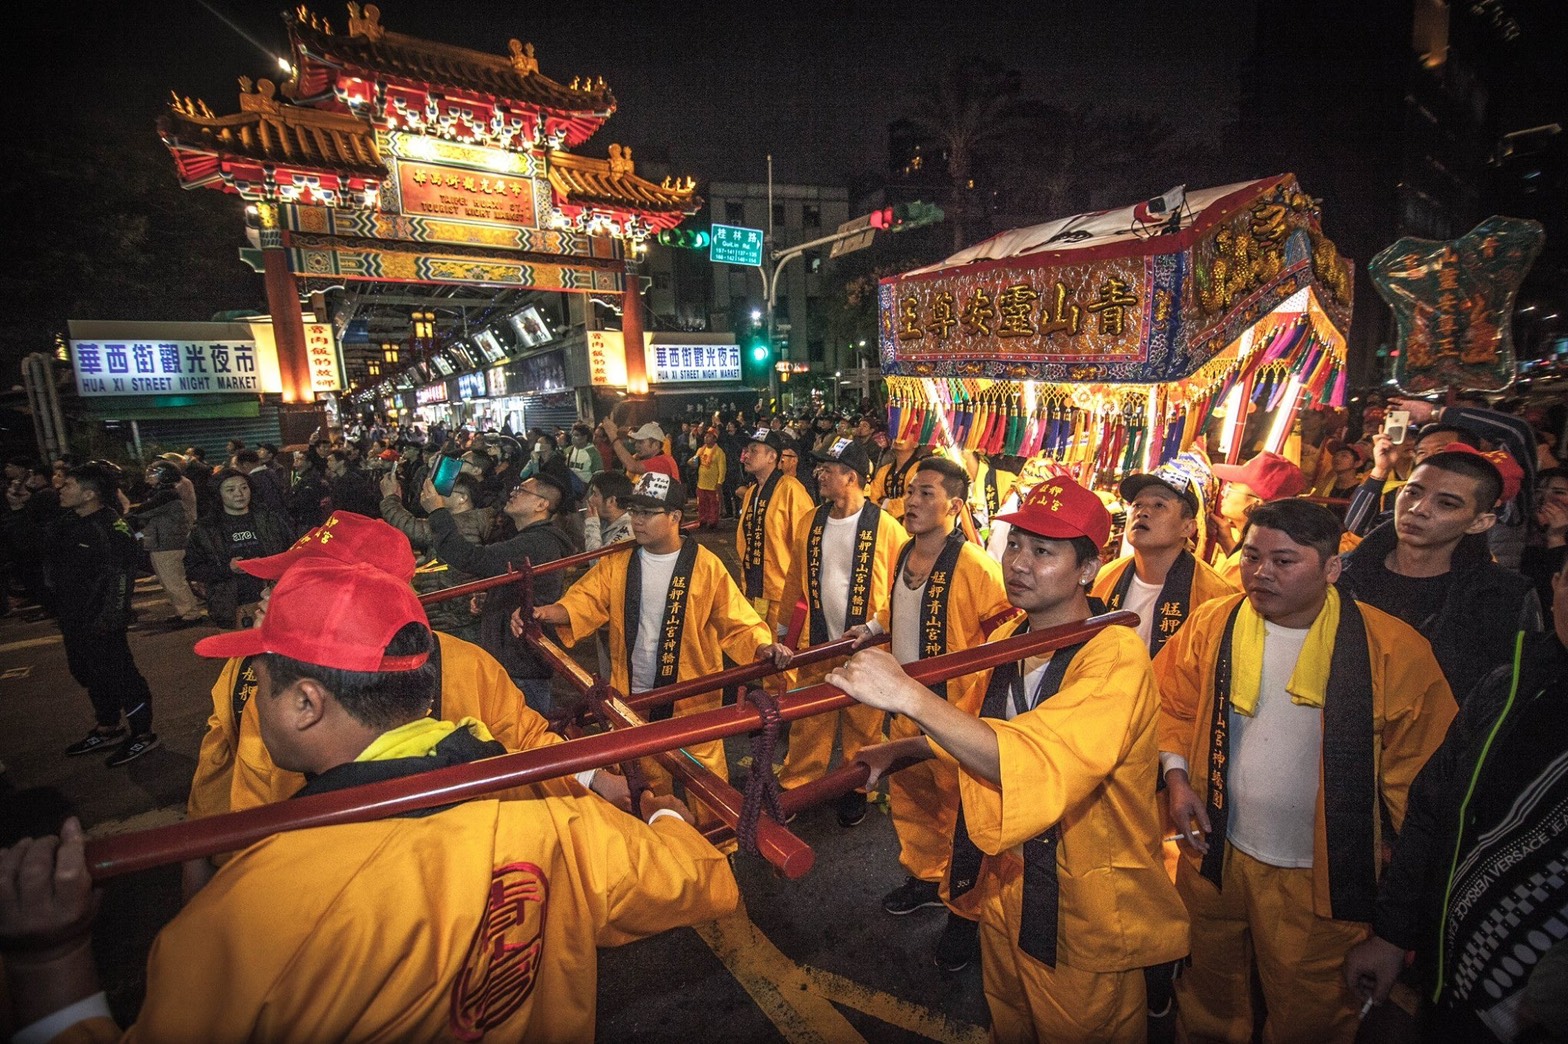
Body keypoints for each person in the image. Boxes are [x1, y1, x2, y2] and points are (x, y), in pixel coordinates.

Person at [0, 558, 738, 1041]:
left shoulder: (255, 915)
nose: (250, 700)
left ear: (306, 705)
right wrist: (661, 802)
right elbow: (701, 877)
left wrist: (49, 964)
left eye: (262, 682)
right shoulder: (558, 827)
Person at [831, 476, 1189, 1041]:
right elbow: (982, 731)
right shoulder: (1018, 637)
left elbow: (1035, 757)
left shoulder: (1114, 656)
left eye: (1043, 551)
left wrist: (909, 696)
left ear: (1088, 569)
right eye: (1015, 544)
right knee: (1010, 1024)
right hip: (1008, 890)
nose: (1018, 563)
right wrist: (907, 749)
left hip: (1084, 910)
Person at [182, 510, 631, 896]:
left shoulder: (466, 665)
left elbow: (525, 735)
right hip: (308, 892)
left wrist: (595, 778)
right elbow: (219, 777)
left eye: (295, 584)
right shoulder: (253, 670)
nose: (267, 597)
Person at [1156, 499, 1457, 1043]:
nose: (1261, 572)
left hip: (1320, 876)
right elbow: (1171, 702)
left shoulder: (1392, 649)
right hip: (1215, 853)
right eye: (1250, 556)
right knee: (1208, 988)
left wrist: (1398, 904)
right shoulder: (1215, 621)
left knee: (1313, 1013)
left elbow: (1425, 786)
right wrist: (1177, 779)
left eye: (1284, 561)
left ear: (1332, 567)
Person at [1343, 566, 1568, 1043]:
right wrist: (1393, 934)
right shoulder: (1510, 687)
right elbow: (1433, 809)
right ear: (1555, 586)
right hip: (1457, 973)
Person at [530, 472, 790, 816]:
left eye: (647, 513)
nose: (637, 520)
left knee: (706, 779)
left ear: (675, 518)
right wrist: (547, 613)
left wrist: (761, 646)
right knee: (646, 778)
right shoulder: (619, 563)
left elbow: (737, 621)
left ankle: (719, 844)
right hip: (636, 694)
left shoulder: (706, 567)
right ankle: (659, 843)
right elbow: (586, 601)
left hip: (694, 697)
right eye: (634, 511)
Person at [849, 456, 1010, 973]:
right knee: (914, 805)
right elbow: (895, 609)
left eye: (926, 494)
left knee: (968, 822)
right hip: (906, 711)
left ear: (955, 505)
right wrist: (873, 630)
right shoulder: (901, 553)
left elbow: (1005, 636)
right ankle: (923, 878)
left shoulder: (976, 567)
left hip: (955, 719)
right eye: (910, 492)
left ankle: (966, 915)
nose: (912, 502)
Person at [1339, 445, 1541, 706]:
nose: (1418, 509)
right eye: (1413, 492)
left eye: (1446, 503)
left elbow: (1506, 698)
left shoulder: (1503, 597)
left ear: (1479, 522)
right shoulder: (1343, 574)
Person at [777, 436, 906, 826]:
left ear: (851, 477)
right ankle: (797, 785)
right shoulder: (811, 521)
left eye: (827, 469)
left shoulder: (886, 528)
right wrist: (781, 631)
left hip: (866, 645)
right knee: (808, 721)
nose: (819, 474)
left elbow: (902, 587)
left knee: (862, 725)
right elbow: (794, 580)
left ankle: (855, 788)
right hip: (817, 641)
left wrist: (876, 626)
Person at [422, 474, 575, 719]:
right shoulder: (532, 539)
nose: (513, 493)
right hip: (517, 659)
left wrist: (437, 512)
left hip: (520, 664)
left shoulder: (537, 542)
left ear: (541, 505)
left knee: (525, 739)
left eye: (523, 490)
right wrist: (492, 598)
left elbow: (469, 557)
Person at [43, 462, 160, 768]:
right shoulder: (66, 522)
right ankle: (108, 727)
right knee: (87, 672)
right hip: (74, 618)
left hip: (103, 621)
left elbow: (122, 578)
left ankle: (142, 734)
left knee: (122, 676)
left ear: (89, 494)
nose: (60, 488)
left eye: (68, 485)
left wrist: (111, 619)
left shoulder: (111, 528)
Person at [1093, 463, 1236, 658]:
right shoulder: (1104, 577)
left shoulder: (1216, 596)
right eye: (1137, 504)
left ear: (1188, 528)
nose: (1142, 512)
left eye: (1159, 505)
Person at [184, 468, 294, 629]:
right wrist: (227, 569)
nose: (239, 494)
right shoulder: (205, 529)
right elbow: (192, 569)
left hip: (275, 601)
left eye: (244, 487)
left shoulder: (270, 520)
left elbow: (293, 552)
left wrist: (270, 565)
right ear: (218, 494)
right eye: (230, 490)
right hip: (230, 607)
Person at [735, 427, 815, 636]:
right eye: (747, 450)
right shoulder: (752, 491)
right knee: (759, 651)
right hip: (754, 588)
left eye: (754, 450)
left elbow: (806, 543)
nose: (747, 455)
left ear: (772, 456)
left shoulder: (791, 489)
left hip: (781, 594)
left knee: (784, 657)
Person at [1207, 450, 1308, 585]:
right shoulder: (1274, 538)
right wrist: (1227, 541)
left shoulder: (1264, 559)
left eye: (1232, 486)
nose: (1224, 492)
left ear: (1256, 503)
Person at [127, 459, 205, 627]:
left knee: (174, 582)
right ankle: (183, 612)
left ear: (164, 476)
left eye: (154, 473)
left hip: (168, 545)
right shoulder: (164, 493)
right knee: (170, 581)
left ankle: (190, 614)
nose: (150, 476)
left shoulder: (166, 495)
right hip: (164, 543)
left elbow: (142, 512)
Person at [1521, 465, 1568, 615]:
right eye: (1538, 492)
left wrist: (1556, 537)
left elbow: (1557, 596)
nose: (1546, 499)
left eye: (1559, 492)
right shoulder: (1518, 533)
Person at [867, 432, 929, 526]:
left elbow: (910, 502)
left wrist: (885, 502)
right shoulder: (884, 470)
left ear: (916, 443)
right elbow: (872, 497)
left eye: (905, 433)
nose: (899, 437)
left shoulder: (920, 471)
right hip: (882, 525)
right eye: (896, 433)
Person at [601, 418, 680, 480]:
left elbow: (632, 466)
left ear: (656, 444)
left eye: (641, 442)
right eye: (636, 442)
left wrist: (612, 435)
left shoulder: (661, 462)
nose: (636, 445)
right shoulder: (662, 459)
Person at [583, 470, 634, 550]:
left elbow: (598, 561)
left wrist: (591, 524)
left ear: (611, 501)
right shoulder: (604, 521)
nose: (590, 499)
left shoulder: (628, 530)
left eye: (595, 494)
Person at [693, 428, 726, 529]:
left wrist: (720, 481)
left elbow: (722, 468)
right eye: (705, 436)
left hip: (713, 483)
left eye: (709, 436)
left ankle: (713, 521)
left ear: (714, 439)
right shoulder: (701, 449)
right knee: (702, 503)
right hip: (701, 482)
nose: (706, 438)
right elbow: (693, 461)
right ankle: (703, 519)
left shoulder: (719, 452)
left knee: (713, 503)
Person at [565, 423, 603, 489]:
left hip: (585, 489)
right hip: (570, 488)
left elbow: (598, 475)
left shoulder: (593, 453)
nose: (573, 438)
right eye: (573, 435)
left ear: (585, 437)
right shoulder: (569, 450)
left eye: (577, 435)